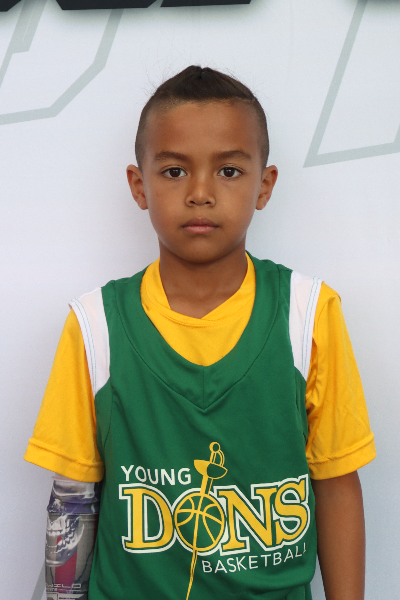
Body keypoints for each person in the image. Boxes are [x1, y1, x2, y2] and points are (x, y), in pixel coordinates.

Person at [24, 66, 376, 600]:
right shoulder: (96, 325)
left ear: (265, 185)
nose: (201, 193)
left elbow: (336, 484)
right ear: (139, 186)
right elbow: (73, 502)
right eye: (174, 171)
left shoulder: (309, 313)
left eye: (229, 171)